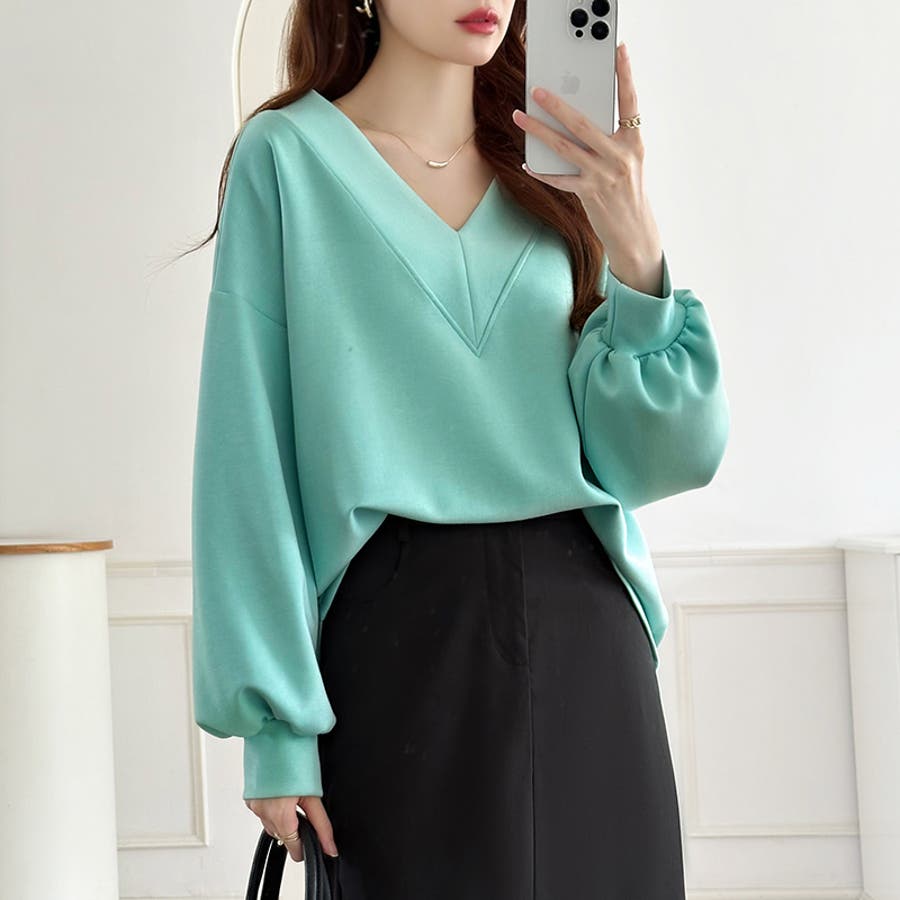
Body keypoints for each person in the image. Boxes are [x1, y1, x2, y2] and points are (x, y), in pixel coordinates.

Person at [187, 1, 730, 896]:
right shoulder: (284, 160)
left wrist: (634, 240)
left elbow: (665, 460)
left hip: (589, 643)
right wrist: (276, 731)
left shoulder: (553, 166)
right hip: (393, 653)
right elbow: (249, 452)